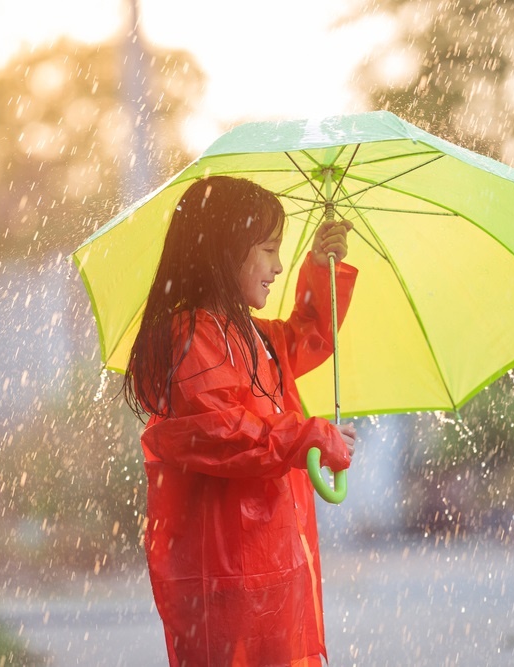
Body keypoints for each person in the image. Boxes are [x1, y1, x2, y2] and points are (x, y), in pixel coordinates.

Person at [123, 175, 358, 666]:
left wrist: (320, 266)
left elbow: (308, 333)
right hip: (226, 576)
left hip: (271, 568)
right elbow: (222, 433)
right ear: (226, 250)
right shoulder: (192, 338)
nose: (277, 267)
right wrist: (312, 435)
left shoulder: (253, 335)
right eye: (269, 250)